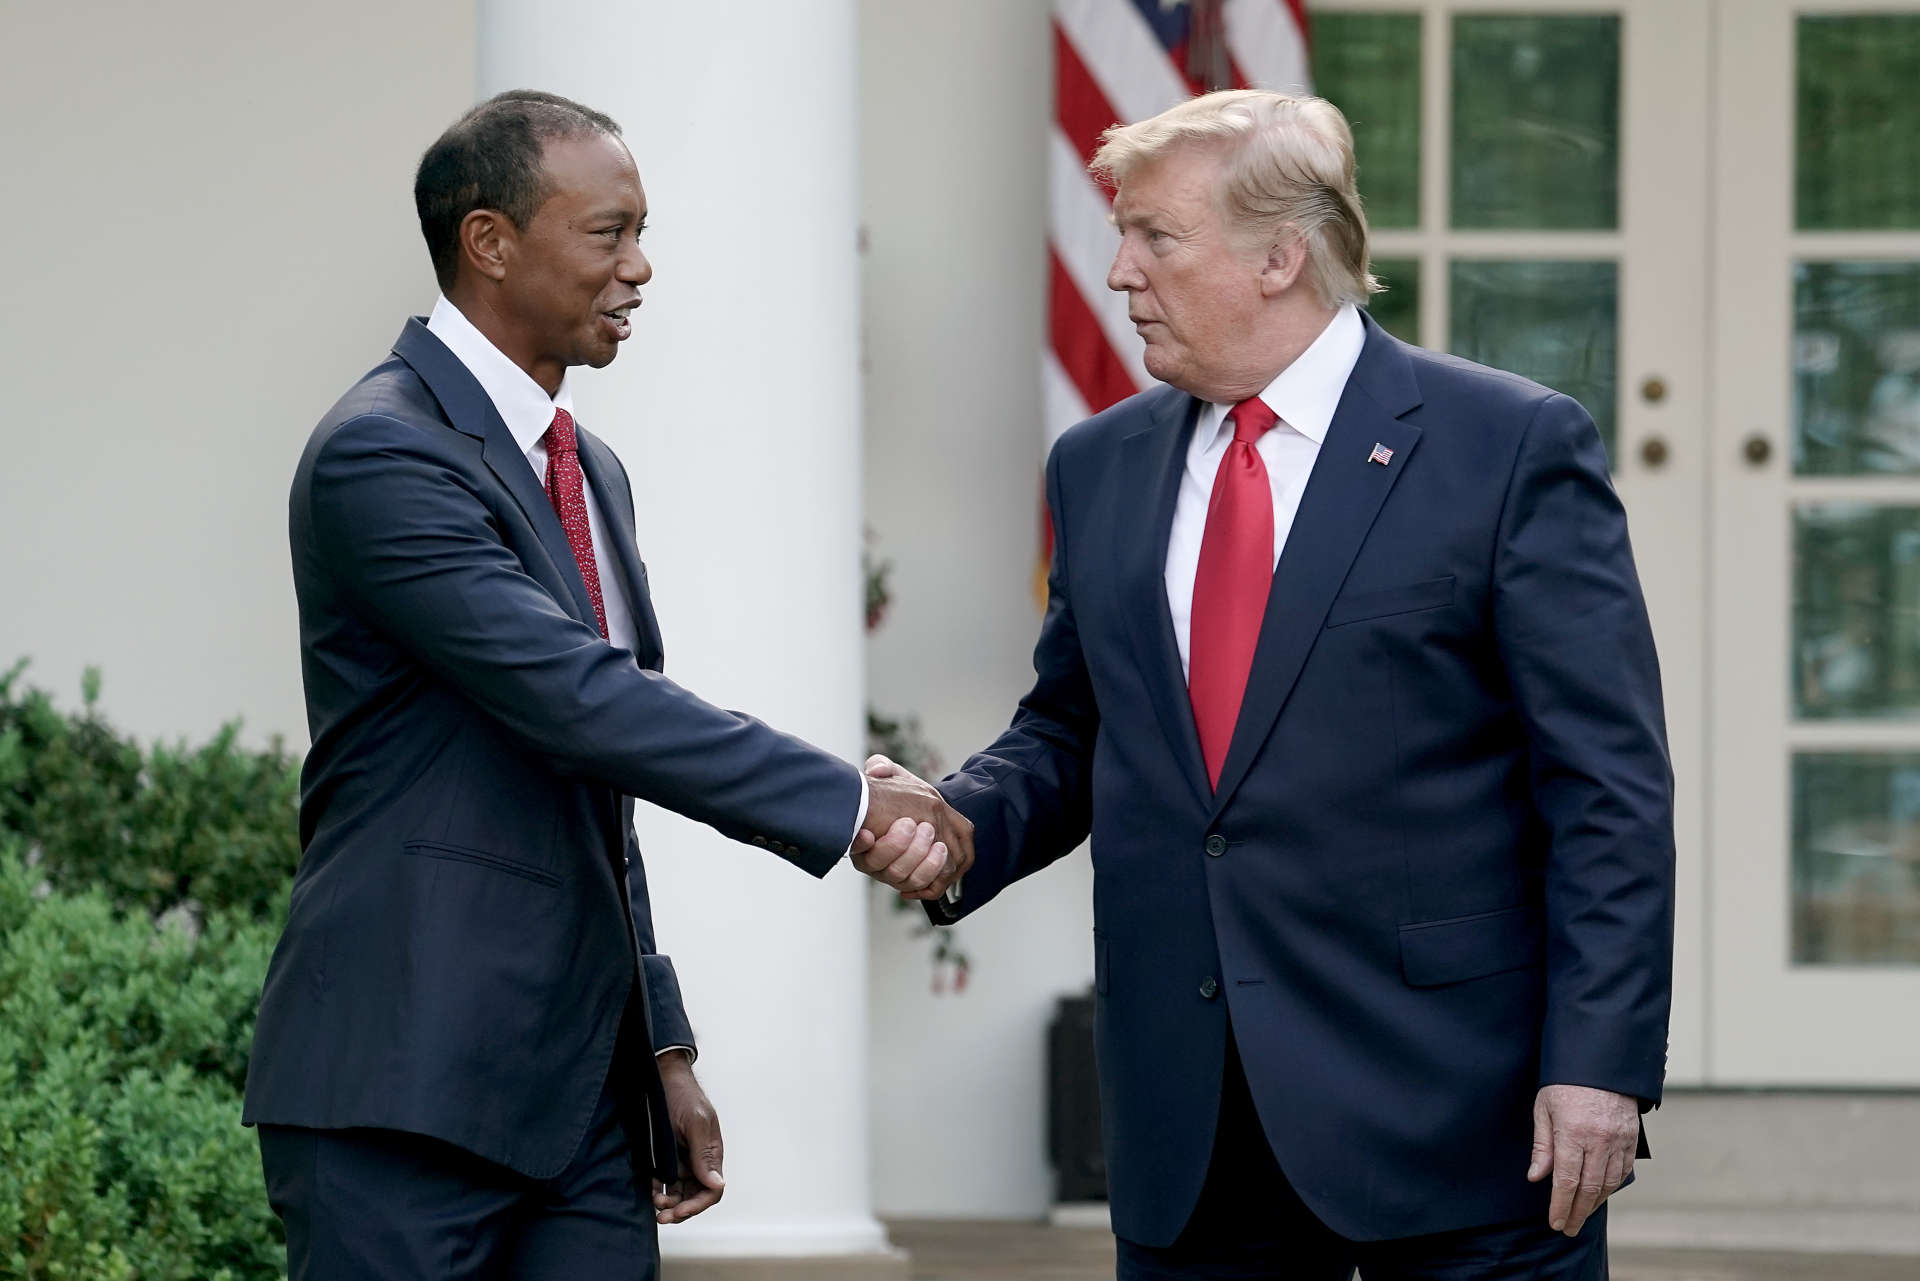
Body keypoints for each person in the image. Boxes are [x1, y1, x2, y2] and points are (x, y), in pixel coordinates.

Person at [859, 90, 1673, 1280]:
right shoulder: (1101, 465)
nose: (1121, 271)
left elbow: (1608, 788)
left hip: (1457, 1124)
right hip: (1191, 1138)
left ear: (1281, 254)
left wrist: (1599, 1062)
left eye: (1155, 237)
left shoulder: (1507, 448)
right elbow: (1076, 727)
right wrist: (962, 821)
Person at [242, 89, 971, 1281]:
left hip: (578, 1096)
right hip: (403, 1083)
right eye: (608, 233)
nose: (639, 268)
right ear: (489, 242)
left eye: (642, 233)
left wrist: (660, 1046)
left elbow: (598, 784)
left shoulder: (592, 471)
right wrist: (851, 806)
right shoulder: (384, 453)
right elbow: (579, 699)